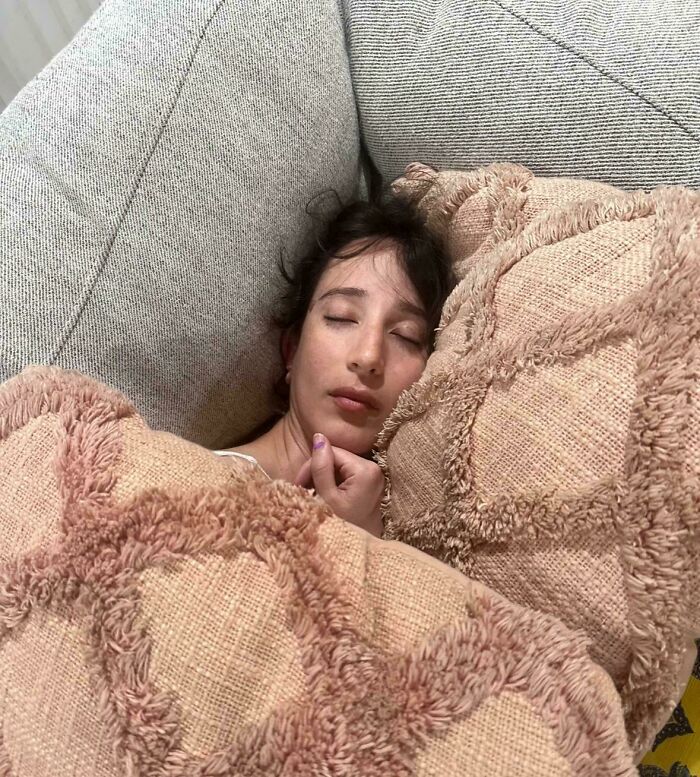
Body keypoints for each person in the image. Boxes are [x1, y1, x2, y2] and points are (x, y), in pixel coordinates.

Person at [215, 191, 455, 537]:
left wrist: (365, 537)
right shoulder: (208, 480)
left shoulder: (408, 527)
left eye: (405, 335)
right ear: (292, 350)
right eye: (341, 318)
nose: (369, 357)